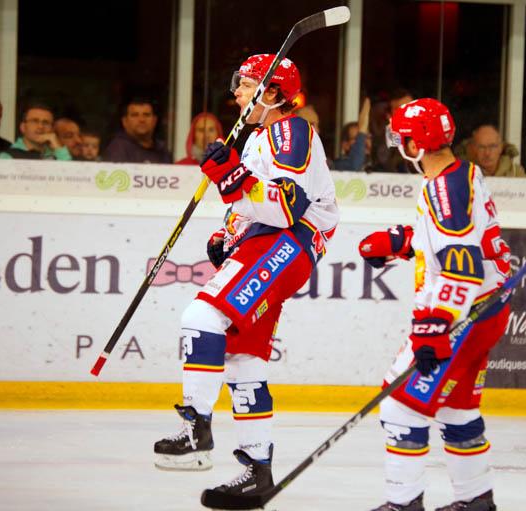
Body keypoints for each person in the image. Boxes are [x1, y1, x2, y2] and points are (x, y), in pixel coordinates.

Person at [153, 53, 339, 501]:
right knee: (242, 356)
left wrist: (232, 177)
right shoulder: (259, 138)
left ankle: (196, 429)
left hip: (288, 240)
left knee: (201, 317)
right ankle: (257, 469)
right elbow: (252, 205)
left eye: (246, 83)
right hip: (269, 242)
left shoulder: (290, 131)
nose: (236, 91)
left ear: (272, 92)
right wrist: (227, 234)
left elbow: (286, 206)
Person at [358, 98, 512, 511]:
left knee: (400, 405)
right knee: (457, 409)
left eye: (403, 138)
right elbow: (458, 241)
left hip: (465, 313)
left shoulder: (443, 188)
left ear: (416, 143)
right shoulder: (461, 174)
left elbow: (462, 267)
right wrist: (403, 242)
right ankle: (475, 498)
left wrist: (434, 325)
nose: (399, 145)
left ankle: (403, 503)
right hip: (486, 308)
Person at [102, 98, 172, 163]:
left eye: (146, 115)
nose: (141, 120)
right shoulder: (118, 148)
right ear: (125, 121)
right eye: (135, 115)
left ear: (154, 120)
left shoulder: (163, 151)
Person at [0, 103, 72, 160]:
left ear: (52, 129)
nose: (40, 126)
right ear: (23, 127)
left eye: (46, 122)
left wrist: (58, 147)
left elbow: (70, 173)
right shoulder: (8, 156)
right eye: (34, 121)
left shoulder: (57, 153)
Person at [332, 97, 371, 171]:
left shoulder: (378, 167)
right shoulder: (338, 165)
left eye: (368, 137)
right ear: (345, 145)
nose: (364, 141)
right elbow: (354, 166)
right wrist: (362, 130)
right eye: (358, 137)